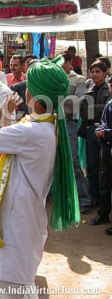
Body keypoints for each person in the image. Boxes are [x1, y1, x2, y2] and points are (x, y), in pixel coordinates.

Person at [0, 58, 80, 299]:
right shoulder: (47, 127)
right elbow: (10, 137)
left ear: (35, 95)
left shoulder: (32, 132)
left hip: (14, 224)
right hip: (19, 218)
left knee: (10, 288)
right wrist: (6, 116)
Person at [79, 60, 112, 220]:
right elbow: (82, 107)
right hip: (91, 129)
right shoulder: (88, 87)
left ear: (106, 72)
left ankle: (104, 203)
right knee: (91, 166)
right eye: (92, 72)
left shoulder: (108, 88)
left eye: (98, 72)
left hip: (105, 131)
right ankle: (94, 198)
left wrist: (91, 107)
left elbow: (105, 108)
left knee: (103, 168)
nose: (94, 75)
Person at [60, 52, 91, 213]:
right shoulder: (54, 77)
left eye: (64, 61)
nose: (61, 63)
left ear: (70, 62)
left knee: (72, 160)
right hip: (52, 122)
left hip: (68, 121)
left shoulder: (78, 80)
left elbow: (80, 101)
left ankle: (84, 199)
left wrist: (61, 99)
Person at [95, 79, 112, 236]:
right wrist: (99, 131)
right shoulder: (109, 104)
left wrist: (106, 133)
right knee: (105, 181)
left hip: (108, 141)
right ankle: (103, 213)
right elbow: (103, 123)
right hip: (106, 148)